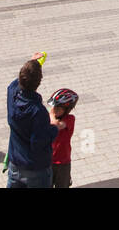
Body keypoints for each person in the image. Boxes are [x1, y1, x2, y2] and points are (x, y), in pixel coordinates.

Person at [6, 57, 61, 187]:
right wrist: (54, 126)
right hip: (35, 169)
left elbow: (17, 82)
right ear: (38, 83)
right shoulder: (37, 111)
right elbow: (38, 142)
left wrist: (33, 63)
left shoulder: (11, 93)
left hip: (15, 163)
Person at [48, 88, 78, 188]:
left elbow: (56, 125)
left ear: (67, 109)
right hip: (48, 161)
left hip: (63, 163)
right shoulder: (50, 118)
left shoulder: (70, 119)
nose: (54, 109)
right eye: (54, 107)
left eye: (58, 108)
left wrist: (51, 114)